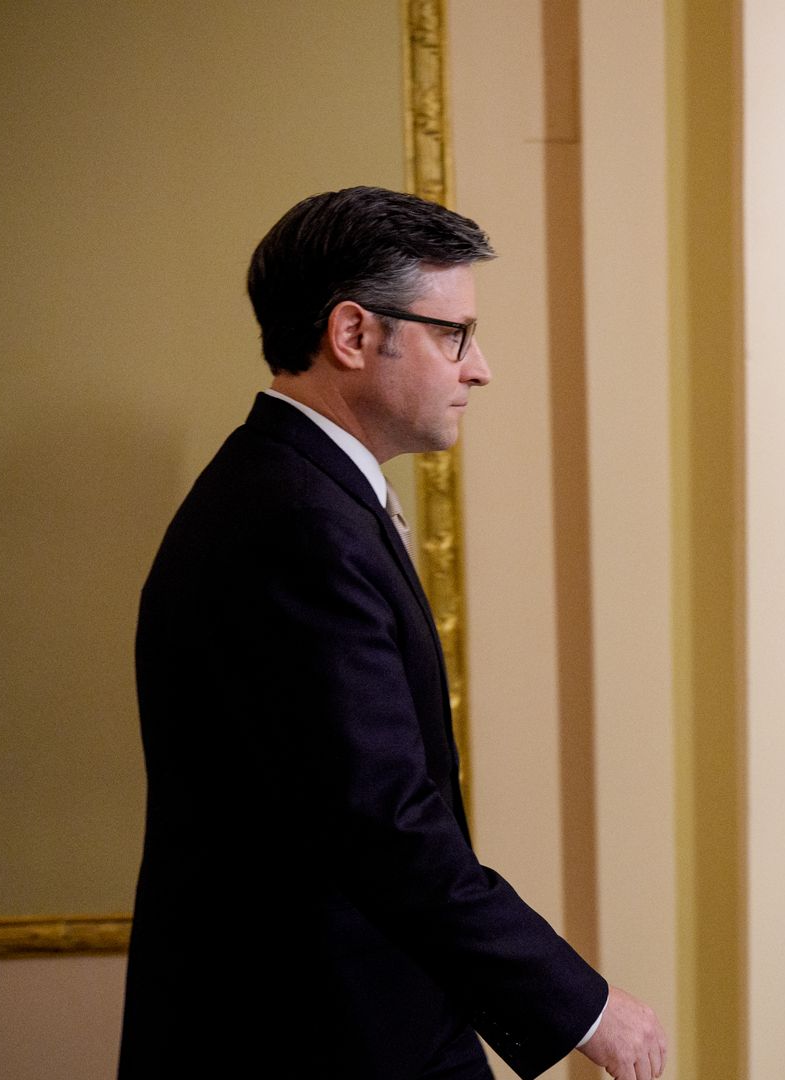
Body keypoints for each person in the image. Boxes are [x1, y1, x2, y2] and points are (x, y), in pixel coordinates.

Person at [120, 187, 667, 1080]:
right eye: (454, 334)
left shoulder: (292, 492)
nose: (479, 367)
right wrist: (583, 1007)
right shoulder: (292, 522)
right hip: (314, 1037)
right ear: (353, 334)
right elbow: (382, 818)